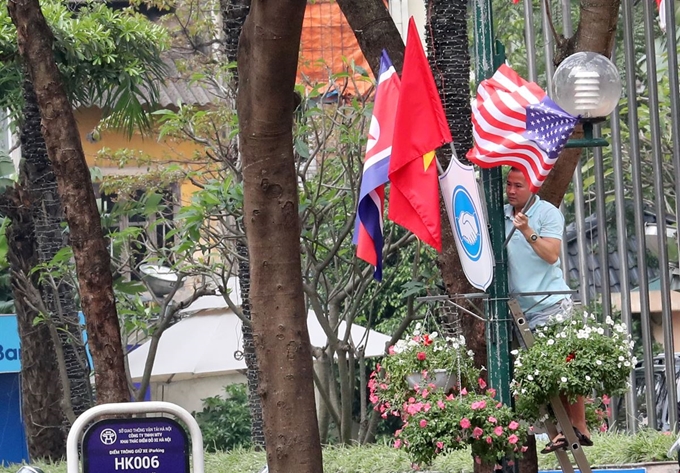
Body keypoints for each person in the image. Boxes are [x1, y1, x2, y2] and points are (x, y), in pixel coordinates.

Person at [504, 167, 592, 453]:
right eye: (509, 184)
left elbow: (551, 254)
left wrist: (527, 230)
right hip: (519, 309)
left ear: (533, 188)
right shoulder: (501, 214)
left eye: (518, 185)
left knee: (564, 366)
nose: (512, 190)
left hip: (550, 302)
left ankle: (578, 426)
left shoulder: (547, 214)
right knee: (545, 374)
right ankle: (564, 430)